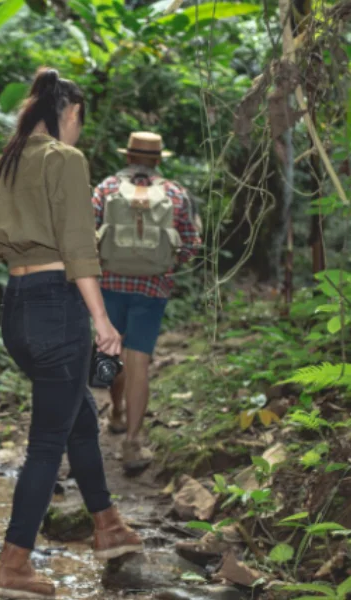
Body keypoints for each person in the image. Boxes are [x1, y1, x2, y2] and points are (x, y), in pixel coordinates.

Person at [0, 67, 144, 599]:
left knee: (77, 419)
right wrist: (103, 322)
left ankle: (107, 524)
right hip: (58, 310)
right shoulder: (65, 160)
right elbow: (78, 248)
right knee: (46, 442)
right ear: (68, 114)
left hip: (15, 314)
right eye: (79, 123)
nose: (78, 133)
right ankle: (13, 562)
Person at [91, 131, 201, 473]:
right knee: (137, 361)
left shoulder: (106, 189)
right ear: (157, 161)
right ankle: (133, 443)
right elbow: (189, 246)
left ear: (127, 157)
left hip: (108, 286)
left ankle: (117, 411)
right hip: (151, 290)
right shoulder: (175, 193)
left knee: (113, 350)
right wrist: (171, 263)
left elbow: (86, 235)